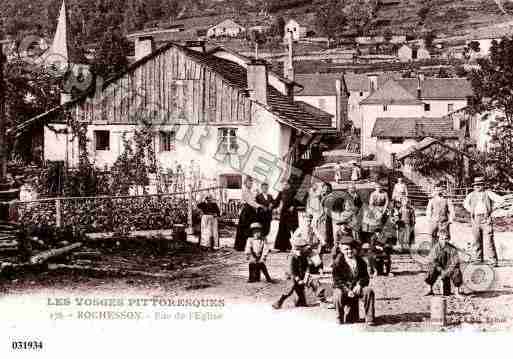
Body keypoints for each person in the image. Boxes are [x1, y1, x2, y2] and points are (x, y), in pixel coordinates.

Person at [272, 230, 326, 309]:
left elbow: (309, 266)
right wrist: (298, 280)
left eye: (303, 248)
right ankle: (279, 301)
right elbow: (292, 271)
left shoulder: (305, 254)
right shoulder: (292, 257)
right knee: (292, 286)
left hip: (303, 274)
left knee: (314, 282)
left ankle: (322, 300)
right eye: (300, 248)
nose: (303, 250)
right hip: (292, 276)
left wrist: (306, 276)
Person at [332, 233, 376, 325]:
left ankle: (370, 319)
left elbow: (365, 277)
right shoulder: (337, 263)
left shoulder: (361, 261)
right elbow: (337, 281)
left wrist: (359, 285)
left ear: (355, 249)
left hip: (357, 288)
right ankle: (339, 317)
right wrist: (347, 290)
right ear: (341, 250)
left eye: (351, 249)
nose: (349, 251)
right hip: (344, 289)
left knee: (368, 291)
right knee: (337, 294)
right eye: (346, 249)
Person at [463, 177, 503, 267]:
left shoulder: (488, 193)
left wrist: (493, 208)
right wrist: (471, 210)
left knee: (489, 241)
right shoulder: (471, 195)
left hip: (486, 219)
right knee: (476, 240)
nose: (478, 186)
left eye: (480, 185)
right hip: (475, 219)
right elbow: (465, 204)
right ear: (474, 186)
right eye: (476, 185)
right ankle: (478, 259)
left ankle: (493, 261)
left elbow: (501, 200)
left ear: (483, 185)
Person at [424, 228, 464, 297]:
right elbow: (433, 261)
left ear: (448, 239)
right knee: (431, 268)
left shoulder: (452, 249)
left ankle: (457, 291)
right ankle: (429, 289)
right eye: (442, 239)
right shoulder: (435, 249)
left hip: (448, 270)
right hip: (439, 269)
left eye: (446, 239)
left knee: (456, 270)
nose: (444, 241)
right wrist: (441, 270)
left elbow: (455, 262)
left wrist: (447, 271)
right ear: (439, 239)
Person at [234, 177, 261, 251]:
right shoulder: (245, 191)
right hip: (246, 211)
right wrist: (260, 206)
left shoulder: (250, 191)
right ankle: (241, 246)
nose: (251, 184)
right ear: (245, 183)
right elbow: (250, 202)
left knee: (252, 227)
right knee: (245, 228)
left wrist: (257, 196)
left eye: (252, 183)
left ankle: (250, 245)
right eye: (249, 182)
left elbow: (253, 200)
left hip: (251, 210)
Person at [273, 179, 300, 252]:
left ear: (288, 184)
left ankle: (294, 246)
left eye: (285, 184)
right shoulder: (281, 192)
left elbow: (298, 200)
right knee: (282, 229)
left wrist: (293, 206)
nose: (284, 185)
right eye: (283, 184)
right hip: (284, 213)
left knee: (293, 230)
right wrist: (270, 206)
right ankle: (281, 247)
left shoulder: (294, 191)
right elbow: (276, 202)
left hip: (292, 214)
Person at [314, 182, 335, 252]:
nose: (326, 192)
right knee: (321, 231)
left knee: (328, 230)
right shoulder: (319, 196)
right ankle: (322, 245)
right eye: (324, 190)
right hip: (320, 216)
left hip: (329, 216)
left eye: (328, 191)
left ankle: (328, 245)